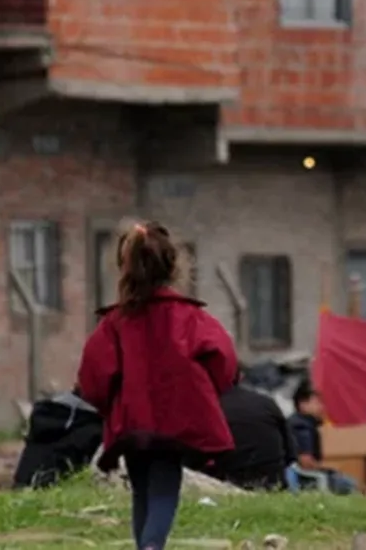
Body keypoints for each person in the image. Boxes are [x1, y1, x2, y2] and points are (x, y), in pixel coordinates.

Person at [77, 221, 237, 550]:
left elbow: (93, 377)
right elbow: (223, 362)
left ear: (124, 268)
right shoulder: (191, 318)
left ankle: (146, 546)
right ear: (173, 266)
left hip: (132, 422)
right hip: (176, 421)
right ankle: (152, 546)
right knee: (165, 486)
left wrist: (112, 405)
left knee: (141, 489)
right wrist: (203, 395)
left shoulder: (115, 323)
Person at [200, 380, 291, 491]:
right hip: (274, 485)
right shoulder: (266, 402)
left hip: (225, 485)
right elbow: (290, 453)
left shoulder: (207, 407)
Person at [286, 382, 357, 494]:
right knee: (348, 483)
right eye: (318, 402)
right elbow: (306, 462)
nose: (322, 407)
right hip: (304, 478)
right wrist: (329, 470)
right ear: (303, 404)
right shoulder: (302, 426)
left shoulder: (299, 423)